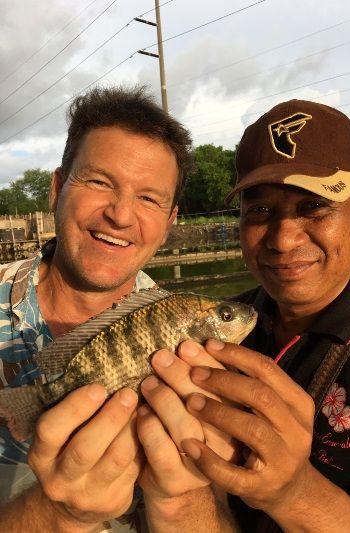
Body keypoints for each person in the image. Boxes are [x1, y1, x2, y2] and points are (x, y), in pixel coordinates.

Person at [0, 86, 238, 532]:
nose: (121, 215)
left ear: (169, 222)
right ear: (56, 188)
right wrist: (57, 516)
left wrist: (184, 498)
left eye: (149, 198)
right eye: (99, 181)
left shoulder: (204, 359)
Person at [161, 99, 350, 531]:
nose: (284, 239)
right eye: (261, 210)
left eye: (313, 207)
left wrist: (294, 494)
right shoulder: (220, 326)